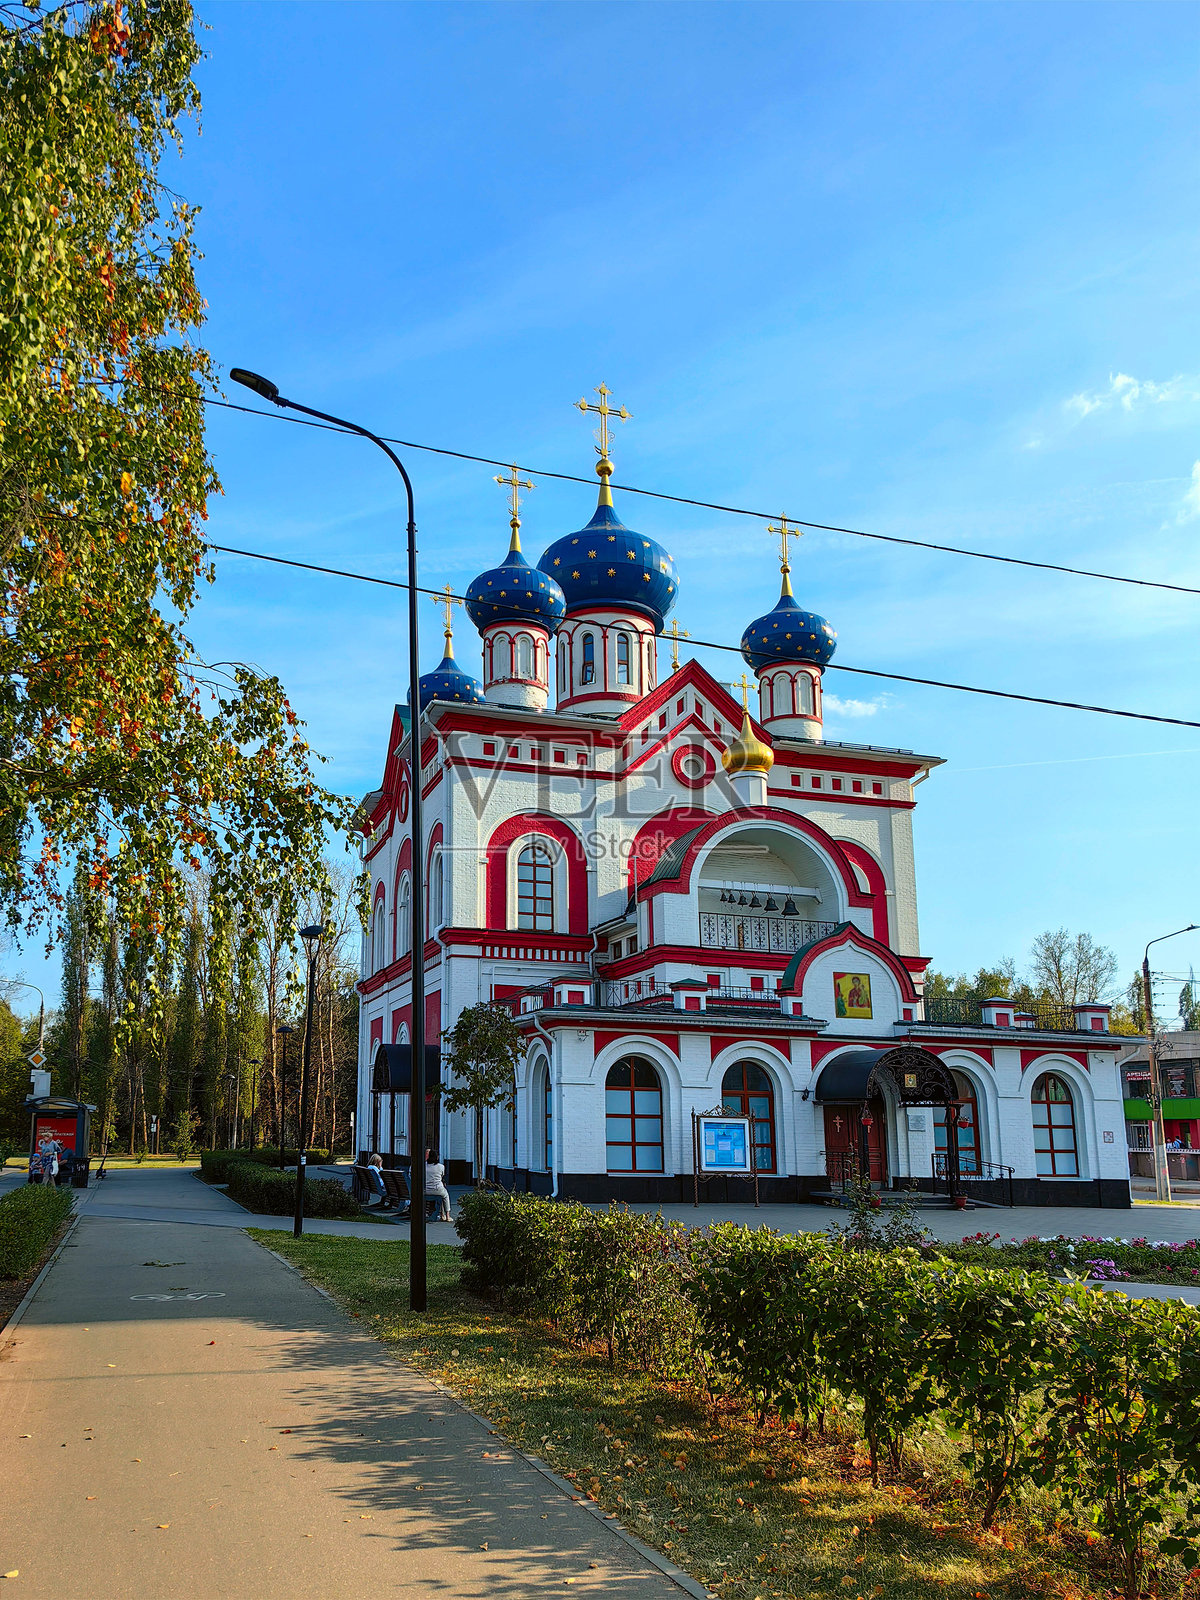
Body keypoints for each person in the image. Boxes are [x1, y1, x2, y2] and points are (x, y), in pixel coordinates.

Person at [425, 1147, 452, 1223]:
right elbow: (442, 1176)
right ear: (437, 1157)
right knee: (445, 1195)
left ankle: (442, 1215)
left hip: (426, 1190)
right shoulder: (441, 1166)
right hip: (437, 1189)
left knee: (442, 1194)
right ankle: (447, 1215)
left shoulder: (423, 1166)